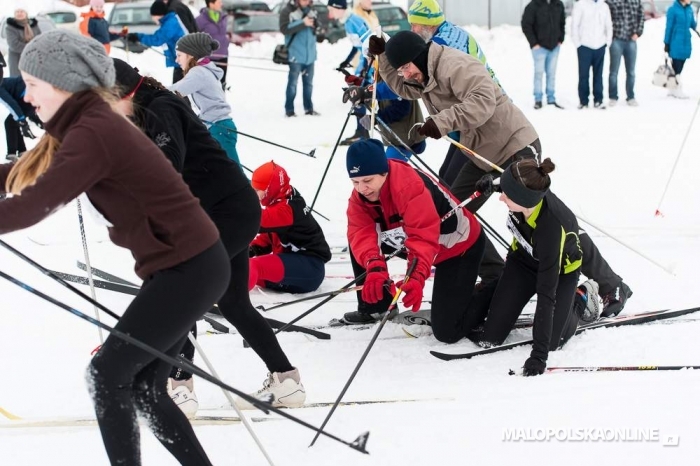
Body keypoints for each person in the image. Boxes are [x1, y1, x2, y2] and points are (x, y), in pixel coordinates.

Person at [14, 29, 230, 465]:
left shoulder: (95, 131)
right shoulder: (87, 124)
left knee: (107, 373)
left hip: (189, 268)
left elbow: (35, 203)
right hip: (187, 266)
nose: (26, 95)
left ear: (62, 82)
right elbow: (23, 173)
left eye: (33, 84)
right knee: (144, 386)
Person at [112, 59, 306, 415]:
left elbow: (167, 163)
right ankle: (286, 379)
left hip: (226, 213)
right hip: (224, 211)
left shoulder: (159, 108)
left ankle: (180, 387)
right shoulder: (148, 109)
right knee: (233, 303)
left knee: (177, 287)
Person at [366, 31, 539, 286]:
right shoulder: (424, 73)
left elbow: (483, 101)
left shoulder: (454, 65)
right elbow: (404, 88)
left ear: (419, 56)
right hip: (482, 152)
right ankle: (496, 273)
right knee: (454, 215)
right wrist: (384, 57)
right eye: (401, 69)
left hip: (515, 146)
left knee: (538, 216)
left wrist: (441, 122)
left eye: (406, 67)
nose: (406, 74)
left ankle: (601, 280)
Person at [341, 139, 485, 343]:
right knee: (360, 245)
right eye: (355, 182)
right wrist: (374, 267)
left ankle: (491, 291)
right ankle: (377, 308)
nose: (362, 188)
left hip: (457, 247)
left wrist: (415, 277)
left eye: (368, 180)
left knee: (448, 332)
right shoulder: (361, 197)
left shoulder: (408, 186)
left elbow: (423, 236)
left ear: (384, 172)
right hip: (411, 239)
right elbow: (360, 233)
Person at [472, 159, 584, 376]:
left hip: (561, 272)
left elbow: (546, 293)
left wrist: (539, 355)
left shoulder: (551, 228)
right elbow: (511, 187)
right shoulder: (526, 193)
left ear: (524, 200)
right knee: (490, 338)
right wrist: (493, 186)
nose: (502, 198)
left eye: (506, 195)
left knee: (553, 341)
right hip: (523, 261)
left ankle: (580, 298)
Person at [249, 161, 331, 293]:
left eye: (257, 190)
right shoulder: (281, 200)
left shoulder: (287, 209)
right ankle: (217, 286)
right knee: (244, 267)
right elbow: (269, 237)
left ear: (271, 188)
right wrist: (250, 250)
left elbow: (253, 221)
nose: (254, 194)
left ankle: (230, 299)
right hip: (294, 269)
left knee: (253, 266)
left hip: (309, 269)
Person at [170, 32, 240, 164]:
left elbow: (175, 91)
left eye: (179, 55)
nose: (176, 60)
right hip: (218, 126)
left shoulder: (198, 72)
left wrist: (150, 87)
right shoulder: (204, 70)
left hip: (219, 127)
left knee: (233, 172)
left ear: (190, 55)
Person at [328, 0, 378, 145]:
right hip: (363, 66)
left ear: (339, 8)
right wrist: (346, 61)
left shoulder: (354, 21)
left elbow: (368, 44)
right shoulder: (347, 21)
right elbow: (357, 46)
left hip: (368, 67)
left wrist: (364, 69)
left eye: (331, 9)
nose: (329, 13)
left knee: (359, 97)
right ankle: (362, 132)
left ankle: (363, 134)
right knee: (357, 98)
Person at [126, 1, 187, 83]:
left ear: (158, 14)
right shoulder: (169, 21)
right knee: (179, 88)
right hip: (180, 60)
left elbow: (157, 39)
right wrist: (137, 36)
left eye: (152, 15)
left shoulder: (170, 23)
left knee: (180, 89)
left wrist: (137, 37)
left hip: (184, 61)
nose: (152, 18)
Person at [521, 0, 566, 110]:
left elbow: (562, 22)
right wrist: (534, 43)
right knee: (539, 73)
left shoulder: (558, 4)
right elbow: (526, 24)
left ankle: (551, 99)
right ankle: (538, 99)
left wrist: (561, 39)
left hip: (554, 46)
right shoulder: (533, 5)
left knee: (551, 74)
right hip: (539, 47)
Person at [279, 0, 319, 117]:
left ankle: (309, 108)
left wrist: (316, 25)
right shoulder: (287, 11)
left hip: (310, 55)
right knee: (292, 84)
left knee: (309, 84)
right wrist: (302, 23)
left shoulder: (312, 9)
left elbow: (318, 29)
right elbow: (284, 29)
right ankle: (289, 110)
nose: (306, 1)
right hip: (295, 55)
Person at [571, 0, 613, 109]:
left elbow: (608, 25)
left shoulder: (604, 6)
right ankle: (583, 101)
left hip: (600, 45)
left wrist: (607, 42)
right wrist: (578, 44)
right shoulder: (580, 4)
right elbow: (574, 25)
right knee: (584, 75)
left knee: (598, 75)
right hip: (584, 46)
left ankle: (598, 100)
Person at [607, 0, 644, 106]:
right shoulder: (611, 1)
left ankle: (630, 96)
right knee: (614, 71)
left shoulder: (635, 1)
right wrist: (610, 35)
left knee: (631, 72)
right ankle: (613, 96)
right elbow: (606, 18)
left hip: (631, 41)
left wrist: (638, 32)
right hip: (616, 40)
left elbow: (641, 16)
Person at [0, 76, 40, 160]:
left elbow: (11, 103)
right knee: (13, 121)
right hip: (29, 90)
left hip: (29, 95)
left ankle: (12, 153)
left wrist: (21, 120)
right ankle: (22, 150)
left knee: (10, 122)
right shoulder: (3, 83)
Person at [664, 0, 697, 99]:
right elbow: (668, 27)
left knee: (681, 64)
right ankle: (676, 88)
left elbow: (693, 24)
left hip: (686, 41)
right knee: (677, 65)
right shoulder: (673, 9)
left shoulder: (689, 9)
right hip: (675, 41)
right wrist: (666, 43)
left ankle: (672, 88)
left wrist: (696, 15)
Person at [195, 0, 230, 88]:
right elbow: (194, 37)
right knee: (209, 86)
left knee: (221, 85)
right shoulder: (200, 19)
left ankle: (221, 101)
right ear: (211, 4)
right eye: (219, 2)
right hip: (208, 58)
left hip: (223, 56)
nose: (221, 4)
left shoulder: (224, 17)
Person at [5, 7, 42, 77]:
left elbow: (39, 39)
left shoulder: (34, 25)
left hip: (33, 58)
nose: (19, 13)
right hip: (17, 59)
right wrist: (31, 48)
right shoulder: (10, 27)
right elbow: (14, 45)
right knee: (18, 80)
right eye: (17, 12)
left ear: (26, 13)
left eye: (21, 11)